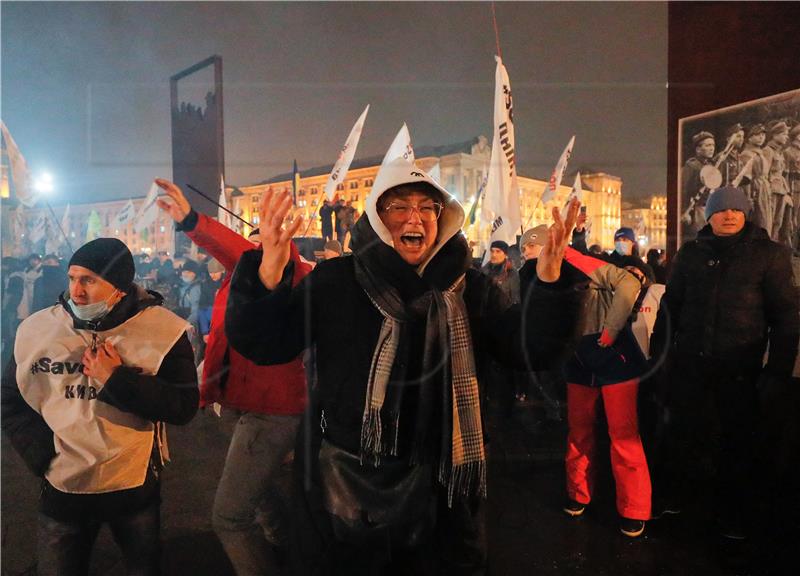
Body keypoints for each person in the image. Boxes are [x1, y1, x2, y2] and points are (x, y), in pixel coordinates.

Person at [224, 143, 582, 575]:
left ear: (442, 219)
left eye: (427, 207)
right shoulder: (337, 282)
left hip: (446, 489)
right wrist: (266, 278)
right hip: (354, 485)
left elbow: (530, 349)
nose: (414, 218)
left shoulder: (470, 288)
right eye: (399, 206)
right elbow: (266, 343)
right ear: (377, 217)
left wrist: (547, 285)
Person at [1, 237, 198, 576]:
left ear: (119, 287)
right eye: (72, 278)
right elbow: (9, 399)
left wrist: (116, 379)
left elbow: (182, 405)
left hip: (132, 489)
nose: (76, 291)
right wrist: (43, 453)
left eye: (89, 280)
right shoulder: (38, 330)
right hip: (64, 487)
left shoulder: (162, 330)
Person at [154, 179, 313, 574]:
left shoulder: (292, 272)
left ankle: (280, 554)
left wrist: (192, 220)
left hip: (270, 409)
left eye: (263, 234)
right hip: (248, 402)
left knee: (229, 517)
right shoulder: (247, 273)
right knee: (258, 494)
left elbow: (229, 245)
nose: (255, 242)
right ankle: (288, 546)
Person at [650, 186, 799, 541]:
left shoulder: (770, 255)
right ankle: (680, 504)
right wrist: (660, 355)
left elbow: (786, 318)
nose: (729, 214)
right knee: (685, 436)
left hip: (740, 370)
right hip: (691, 368)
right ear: (708, 216)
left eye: (736, 209)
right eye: (721, 209)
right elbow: (671, 307)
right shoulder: (690, 254)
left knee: (738, 444)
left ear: (747, 213)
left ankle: (733, 514)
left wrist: (776, 371)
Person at [560, 245, 652, 538]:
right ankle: (578, 493)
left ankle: (633, 509)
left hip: (616, 359)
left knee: (624, 436)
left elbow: (628, 283)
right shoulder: (566, 277)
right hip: (579, 359)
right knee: (579, 431)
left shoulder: (575, 260)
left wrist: (611, 330)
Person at [763, 120, 793, 245]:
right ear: (775, 135)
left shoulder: (779, 151)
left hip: (780, 190)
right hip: (772, 191)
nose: (786, 137)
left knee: (778, 222)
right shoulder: (768, 150)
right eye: (784, 134)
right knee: (770, 221)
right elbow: (765, 174)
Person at [681, 131, 716, 235]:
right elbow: (684, 190)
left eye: (713, 145)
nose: (711, 148)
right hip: (697, 209)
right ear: (698, 149)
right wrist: (684, 212)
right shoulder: (692, 166)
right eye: (708, 145)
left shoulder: (710, 165)